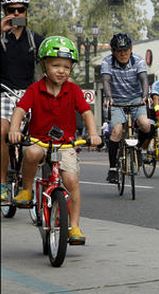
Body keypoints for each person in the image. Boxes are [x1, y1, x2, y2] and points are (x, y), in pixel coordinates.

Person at [8, 36, 101, 244]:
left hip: (66, 143)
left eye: (66, 67)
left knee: (71, 182)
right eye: (55, 65)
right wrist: (14, 129)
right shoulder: (35, 89)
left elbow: (86, 113)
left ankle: (75, 226)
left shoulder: (73, 90)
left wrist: (93, 134)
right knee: (31, 153)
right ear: (44, 66)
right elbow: (20, 110)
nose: (61, 70)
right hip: (39, 140)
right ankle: (26, 189)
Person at [0, 0, 43, 202]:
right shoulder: (0, 37)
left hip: (29, 94)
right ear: (5, 12)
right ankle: (2, 184)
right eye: (11, 10)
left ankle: (27, 187)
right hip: (4, 93)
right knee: (2, 132)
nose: (17, 13)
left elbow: (50, 62)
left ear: (26, 12)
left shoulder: (35, 39)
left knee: (41, 135)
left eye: (21, 10)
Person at [101, 33, 151, 183]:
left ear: (131, 49)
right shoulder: (107, 62)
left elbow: (144, 80)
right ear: (113, 52)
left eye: (126, 50)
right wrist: (109, 97)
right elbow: (106, 81)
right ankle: (112, 169)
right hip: (116, 100)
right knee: (116, 131)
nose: (123, 54)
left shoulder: (139, 61)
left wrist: (145, 95)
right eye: (119, 51)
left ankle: (140, 149)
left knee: (145, 124)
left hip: (136, 98)